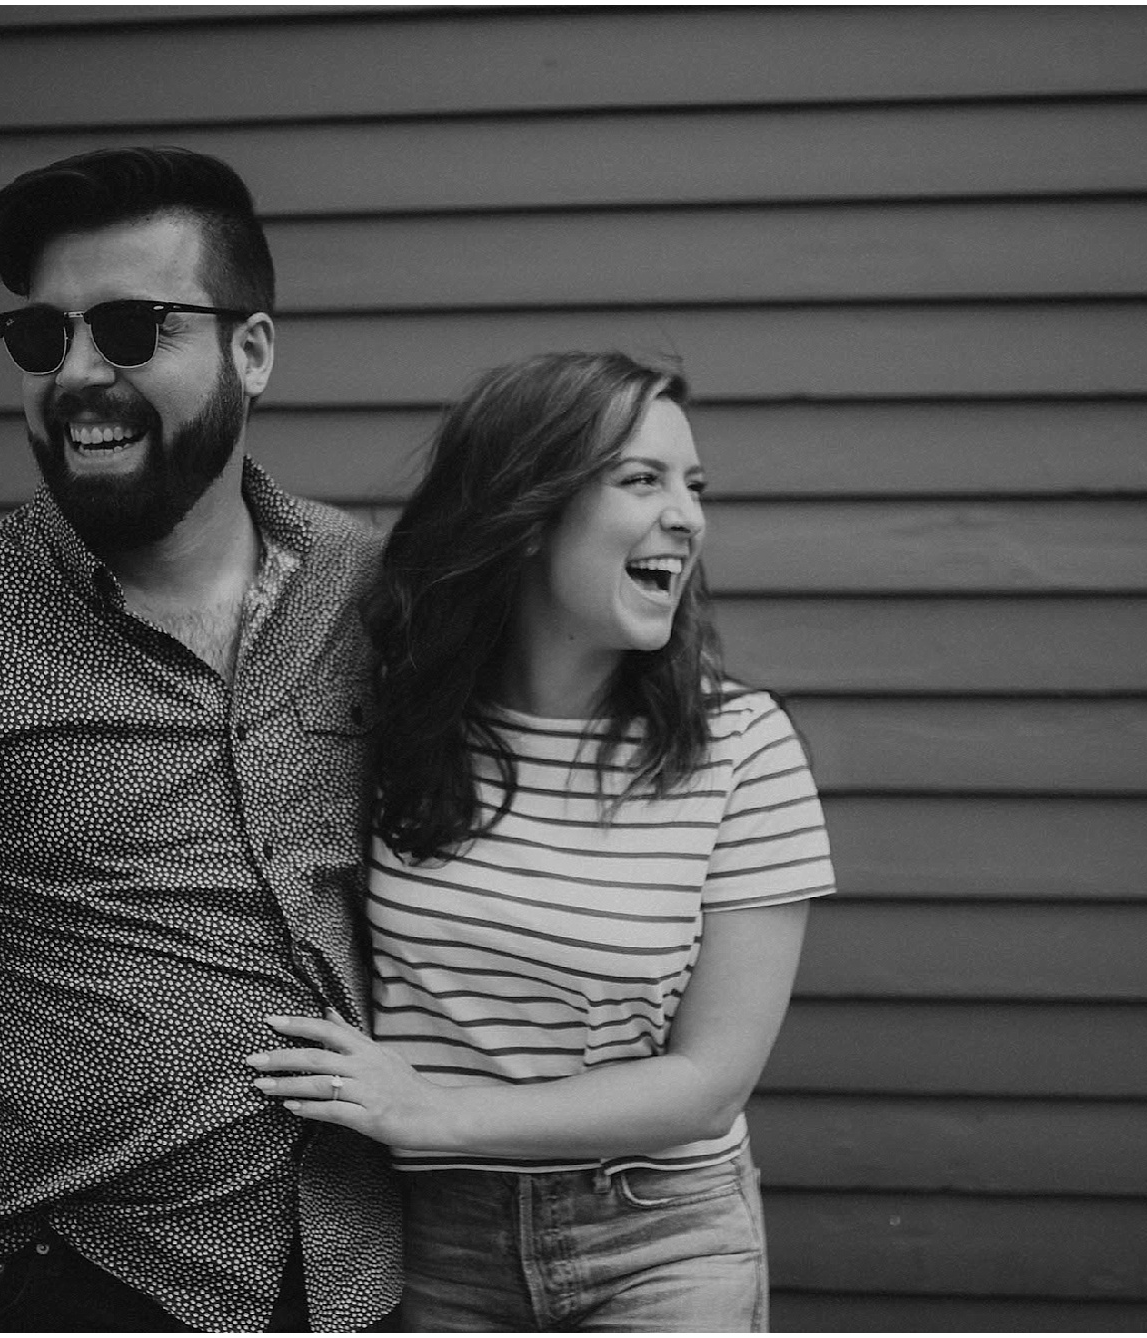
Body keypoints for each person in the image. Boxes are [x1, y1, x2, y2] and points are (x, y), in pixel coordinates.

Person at [0, 147, 399, 1332]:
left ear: (252, 351)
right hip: (79, 1278)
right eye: (40, 337)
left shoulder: (370, 592)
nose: (76, 374)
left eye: (129, 328)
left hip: (362, 1278)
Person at [245, 351, 835, 1331]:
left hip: (659, 1239)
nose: (687, 517)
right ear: (526, 512)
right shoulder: (390, 725)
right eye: (641, 479)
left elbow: (708, 1083)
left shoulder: (741, 748)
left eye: (693, 486)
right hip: (434, 1240)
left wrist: (434, 1112)